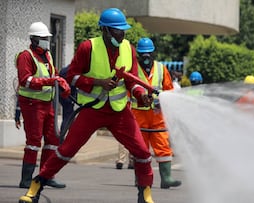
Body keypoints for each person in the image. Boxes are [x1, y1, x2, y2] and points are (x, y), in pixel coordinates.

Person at [19, 8, 155, 203]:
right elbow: (71, 77)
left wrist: (141, 95)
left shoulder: (129, 49)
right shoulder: (87, 47)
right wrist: (98, 82)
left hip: (119, 112)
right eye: (117, 30)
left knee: (142, 152)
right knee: (66, 150)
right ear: (106, 30)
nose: (122, 34)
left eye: (123, 30)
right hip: (93, 109)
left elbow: (132, 82)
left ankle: (145, 192)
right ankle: (36, 185)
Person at [15, 21, 70, 190]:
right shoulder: (26, 56)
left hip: (48, 104)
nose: (47, 41)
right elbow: (26, 80)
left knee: (53, 140)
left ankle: (47, 176)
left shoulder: (48, 55)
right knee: (33, 141)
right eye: (44, 38)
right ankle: (26, 180)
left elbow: (52, 75)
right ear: (34, 39)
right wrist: (51, 81)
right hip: (32, 105)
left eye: (47, 38)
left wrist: (61, 84)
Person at [130, 37, 181, 189]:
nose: (146, 57)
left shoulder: (161, 69)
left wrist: (162, 100)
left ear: (153, 54)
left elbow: (169, 89)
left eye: (149, 53)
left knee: (163, 147)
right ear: (138, 54)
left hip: (157, 116)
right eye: (143, 54)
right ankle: (140, 179)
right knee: (140, 150)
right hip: (139, 116)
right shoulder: (133, 70)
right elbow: (127, 90)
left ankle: (166, 178)